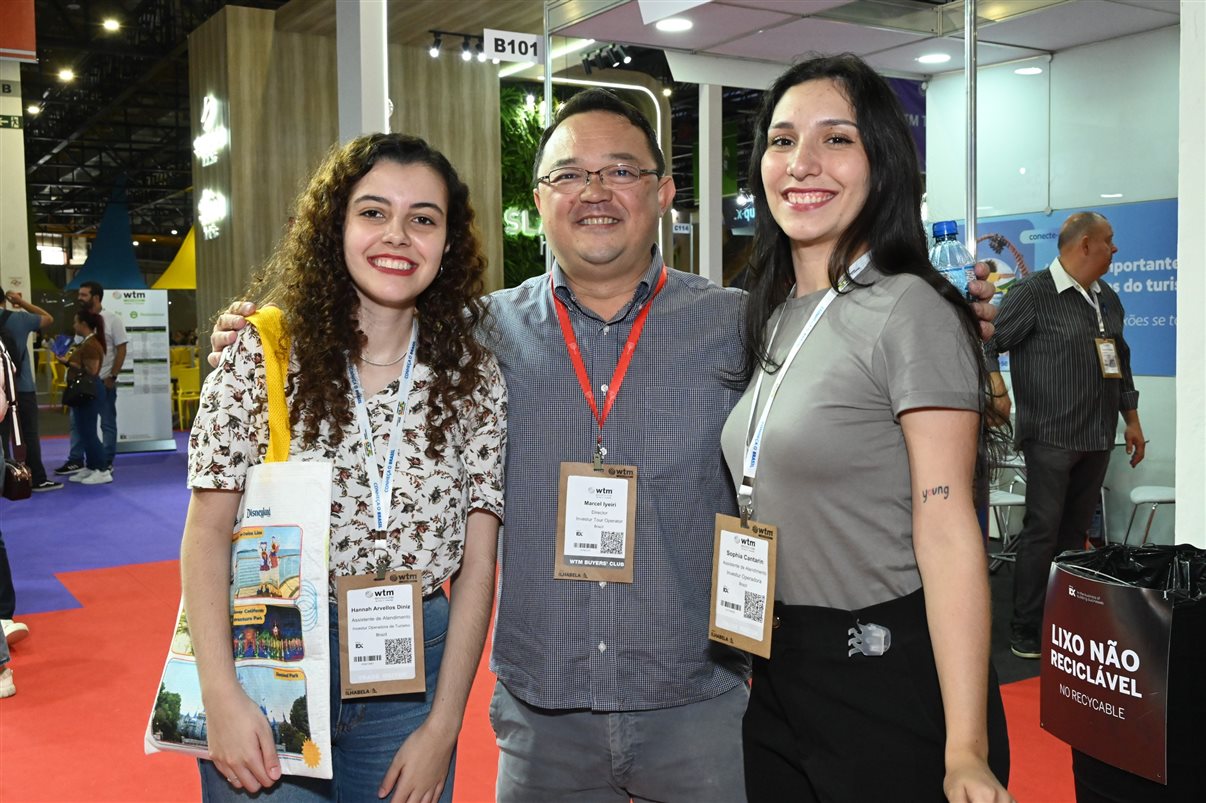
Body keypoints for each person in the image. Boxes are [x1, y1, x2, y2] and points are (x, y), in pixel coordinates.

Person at [211, 90, 1002, 802]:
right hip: (543, 709)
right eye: (569, 175)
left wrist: (958, 324)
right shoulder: (476, 336)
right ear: (538, 199)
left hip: (700, 701)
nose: (595, 191)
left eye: (621, 171)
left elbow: (847, 358)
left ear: (662, 194)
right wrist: (256, 333)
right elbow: (365, 329)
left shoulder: (739, 322)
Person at [182, 133, 505, 802]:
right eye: (373, 211)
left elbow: (479, 562)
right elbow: (206, 531)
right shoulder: (263, 353)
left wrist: (445, 726)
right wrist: (220, 693)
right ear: (336, 225)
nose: (398, 235)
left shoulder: (473, 377)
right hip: (269, 652)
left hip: (413, 669)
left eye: (423, 218)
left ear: (448, 243)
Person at [723, 54, 1012, 802]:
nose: (802, 163)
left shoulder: (910, 308)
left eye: (836, 139)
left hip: (883, 669)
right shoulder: (771, 311)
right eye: (782, 140)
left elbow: (948, 529)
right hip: (781, 668)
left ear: (881, 161)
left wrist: (966, 749)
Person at [985, 211, 1144, 660]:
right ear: (1086, 244)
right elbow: (988, 339)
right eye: (1110, 240)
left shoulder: (1107, 298)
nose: (1116, 249)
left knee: (1075, 535)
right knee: (1043, 531)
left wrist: (1131, 420)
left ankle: (1065, 622)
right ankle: (1027, 627)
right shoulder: (1033, 292)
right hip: (1051, 437)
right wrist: (996, 387)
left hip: (1098, 435)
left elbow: (1120, 361)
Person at [55, 281, 128, 477]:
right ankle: (79, 460)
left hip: (102, 381)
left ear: (96, 297)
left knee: (106, 423)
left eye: (84, 295)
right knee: (79, 425)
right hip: (82, 384)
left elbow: (121, 349)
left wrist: (112, 375)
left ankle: (104, 463)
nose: (79, 298)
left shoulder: (113, 320)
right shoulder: (83, 323)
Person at [0, 291, 61, 491]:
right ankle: (36, 479)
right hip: (21, 387)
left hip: (0, 389)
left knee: (1, 435)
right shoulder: (18, 319)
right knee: (28, 434)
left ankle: (4, 481)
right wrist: (20, 302)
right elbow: (48, 318)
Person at [61, 310, 111, 485]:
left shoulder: (91, 344)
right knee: (83, 431)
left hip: (88, 390)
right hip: (84, 390)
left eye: (76, 322)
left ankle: (102, 469)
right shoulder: (88, 343)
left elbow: (91, 370)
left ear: (83, 324)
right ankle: (91, 466)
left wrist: (67, 362)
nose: (74, 326)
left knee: (88, 432)